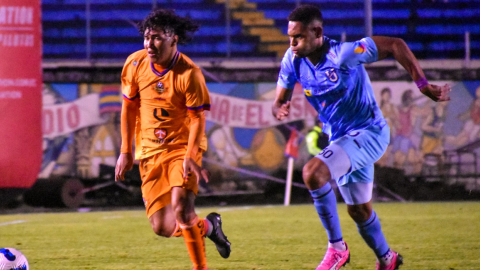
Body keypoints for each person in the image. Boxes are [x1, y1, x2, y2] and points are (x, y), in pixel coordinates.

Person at [272, 5, 451, 270]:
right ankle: (387, 259)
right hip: (341, 139)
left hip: (369, 133)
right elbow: (280, 97)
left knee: (312, 173)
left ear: (317, 31)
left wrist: (423, 85)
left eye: (297, 37)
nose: (292, 43)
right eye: (290, 37)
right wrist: (280, 106)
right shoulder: (292, 59)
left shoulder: (343, 54)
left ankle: (337, 249)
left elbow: (395, 44)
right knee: (358, 210)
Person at [114, 9, 231, 270]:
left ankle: (200, 267)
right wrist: (126, 151)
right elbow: (128, 108)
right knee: (163, 227)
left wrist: (190, 157)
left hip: (182, 148)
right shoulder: (135, 64)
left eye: (156, 38)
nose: (149, 44)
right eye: (146, 37)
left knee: (182, 209)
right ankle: (210, 228)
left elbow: (198, 120)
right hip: (149, 152)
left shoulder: (189, 74)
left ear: (173, 39)